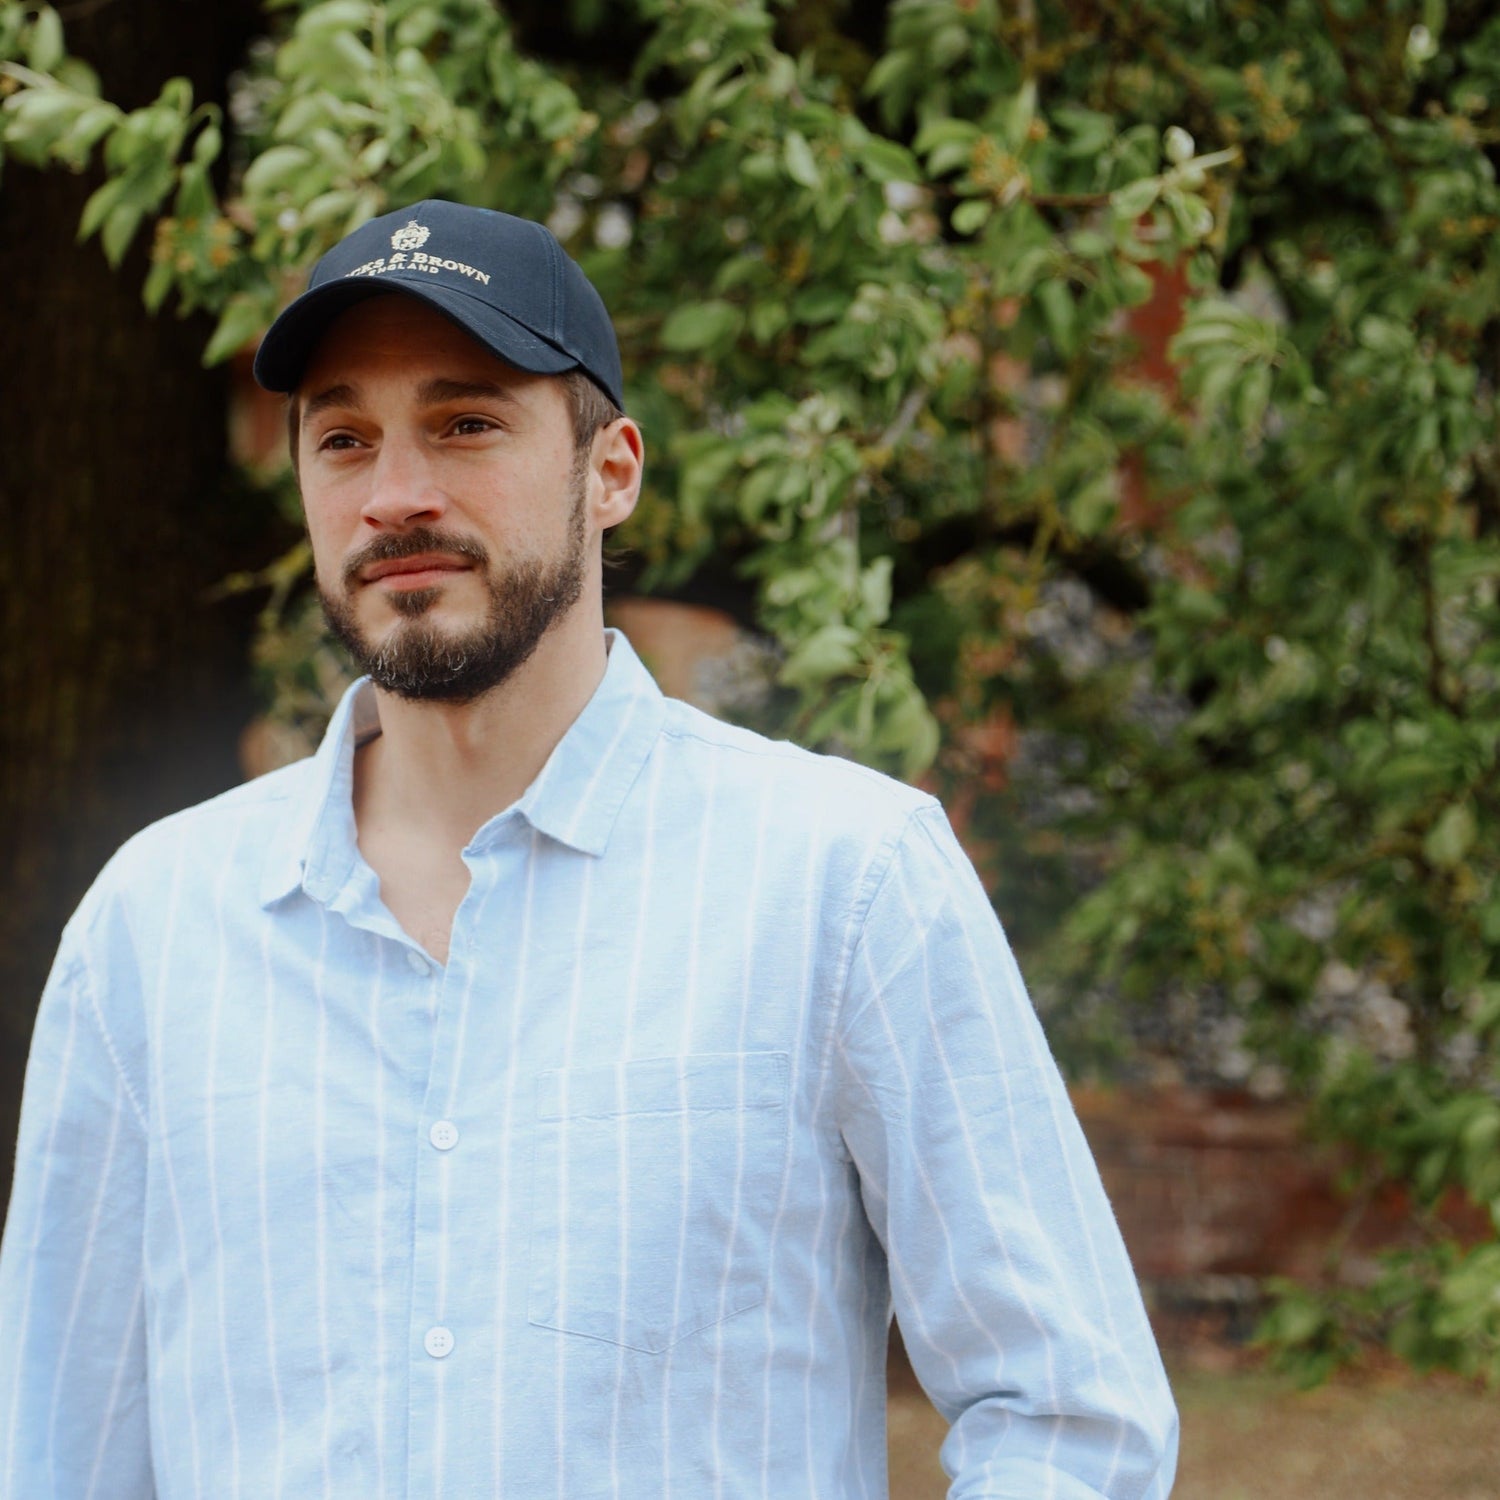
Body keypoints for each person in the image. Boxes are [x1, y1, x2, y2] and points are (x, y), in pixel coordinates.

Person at [0, 199, 1178, 1498]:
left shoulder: (844, 881)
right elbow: (55, 1450)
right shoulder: (152, 929)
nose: (395, 495)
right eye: (343, 439)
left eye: (466, 423)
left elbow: (1071, 1418)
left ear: (610, 470)